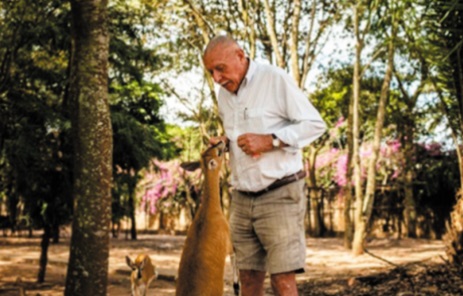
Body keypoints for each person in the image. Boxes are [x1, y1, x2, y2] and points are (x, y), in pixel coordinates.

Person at [204, 35, 326, 296]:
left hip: (280, 194)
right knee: (247, 281)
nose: (216, 77)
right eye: (211, 71)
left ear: (240, 55)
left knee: (282, 282)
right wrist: (225, 143)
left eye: (220, 68)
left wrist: (271, 141)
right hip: (242, 198)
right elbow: (239, 135)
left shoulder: (274, 79)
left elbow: (314, 125)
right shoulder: (223, 95)